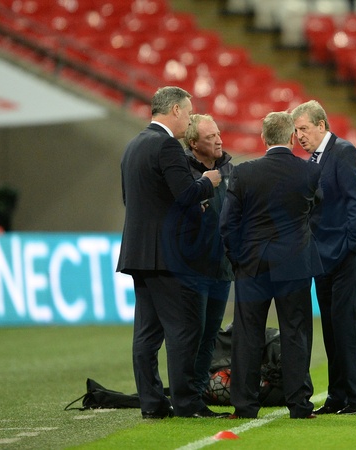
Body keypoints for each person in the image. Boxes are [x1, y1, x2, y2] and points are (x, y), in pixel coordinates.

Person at [116, 86, 228, 419]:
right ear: (175, 110)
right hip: (168, 256)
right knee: (185, 330)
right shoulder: (166, 145)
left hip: (138, 253)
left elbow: (133, 199)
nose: (190, 119)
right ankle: (187, 403)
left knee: (147, 334)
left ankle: (152, 403)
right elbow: (186, 194)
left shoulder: (133, 145)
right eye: (189, 113)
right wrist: (208, 182)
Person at [219, 111, 323, 419]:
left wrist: (239, 259)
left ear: (263, 137)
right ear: (292, 137)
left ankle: (244, 406)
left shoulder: (244, 172)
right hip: (295, 265)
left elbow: (228, 223)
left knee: (247, 334)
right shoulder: (309, 172)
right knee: (296, 332)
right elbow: (317, 212)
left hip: (252, 265)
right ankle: (299, 405)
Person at [291, 100, 356, 416]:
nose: (299, 136)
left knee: (346, 324)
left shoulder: (343, 152)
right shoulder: (313, 160)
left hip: (346, 255)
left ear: (321, 125)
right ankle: (338, 396)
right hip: (323, 256)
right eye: (296, 131)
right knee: (331, 327)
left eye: (304, 128)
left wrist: (351, 246)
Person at [182, 114, 234, 397]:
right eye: (210, 137)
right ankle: (186, 394)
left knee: (211, 334)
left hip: (221, 267)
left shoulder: (229, 170)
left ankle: (199, 392)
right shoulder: (183, 173)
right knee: (193, 334)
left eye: (218, 134)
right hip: (193, 269)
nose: (219, 140)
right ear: (193, 143)